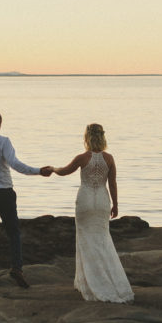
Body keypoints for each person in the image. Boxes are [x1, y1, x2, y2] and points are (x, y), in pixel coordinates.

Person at [0, 111, 52, 287]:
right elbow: (16, 165)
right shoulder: (4, 141)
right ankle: (17, 268)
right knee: (13, 232)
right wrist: (38, 171)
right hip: (4, 192)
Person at [52, 122, 134, 303]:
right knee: (103, 241)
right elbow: (112, 184)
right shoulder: (109, 158)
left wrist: (52, 169)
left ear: (87, 137)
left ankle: (89, 284)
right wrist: (115, 204)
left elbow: (64, 171)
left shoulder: (83, 158)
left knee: (85, 240)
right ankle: (108, 282)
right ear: (103, 137)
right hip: (103, 201)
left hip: (85, 201)